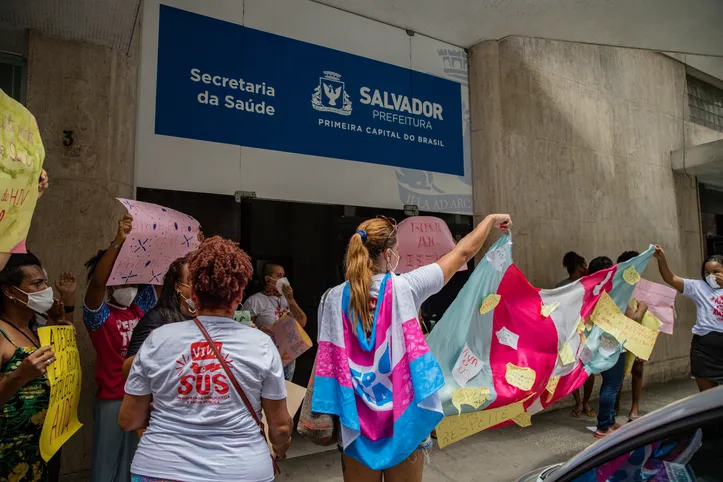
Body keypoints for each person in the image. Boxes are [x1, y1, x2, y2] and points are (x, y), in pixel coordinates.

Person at [314, 214, 511, 482]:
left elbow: (332, 359)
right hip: (405, 419)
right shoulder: (407, 287)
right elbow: (463, 251)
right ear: (388, 253)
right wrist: (489, 221)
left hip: (355, 423)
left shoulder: (331, 299)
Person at [119, 236, 292, 482]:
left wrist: (174, 412)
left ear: (194, 292)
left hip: (161, 469)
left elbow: (128, 419)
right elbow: (280, 428)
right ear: (239, 293)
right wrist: (282, 446)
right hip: (240, 471)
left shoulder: (158, 340)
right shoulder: (261, 344)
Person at [83, 214, 158, 482]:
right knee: (106, 466)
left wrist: (142, 244)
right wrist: (118, 243)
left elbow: (153, 273)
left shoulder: (142, 308)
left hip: (142, 398)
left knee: (134, 464)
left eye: (130, 280)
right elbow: (96, 285)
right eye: (121, 280)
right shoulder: (100, 315)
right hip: (113, 399)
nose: (127, 286)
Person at [0, 253, 68, 481]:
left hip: (36, 453)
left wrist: (58, 331)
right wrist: (19, 376)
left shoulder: (32, 331)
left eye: (45, 281)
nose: (46, 289)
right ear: (10, 292)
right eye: (37, 283)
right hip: (6, 456)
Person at [591, 256, 647, 438]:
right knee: (611, 385)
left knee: (609, 383)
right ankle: (603, 427)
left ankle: (610, 421)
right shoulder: (616, 292)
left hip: (598, 343)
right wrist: (642, 308)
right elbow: (632, 318)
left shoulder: (591, 290)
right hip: (614, 344)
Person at [654, 246, 723, 392]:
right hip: (704, 351)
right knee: (707, 398)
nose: (711, 276)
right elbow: (670, 278)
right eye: (707, 272)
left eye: (716, 272)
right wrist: (661, 260)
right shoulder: (698, 287)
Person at [122, 257, 195, 379]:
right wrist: (161, 345)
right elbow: (128, 370)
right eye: (191, 280)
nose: (198, 286)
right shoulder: (156, 319)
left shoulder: (206, 318)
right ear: (177, 285)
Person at [243, 263, 307, 381]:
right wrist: (258, 329)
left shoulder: (286, 300)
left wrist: (290, 299)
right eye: (279, 275)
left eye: (283, 275)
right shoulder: (253, 301)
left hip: (287, 355)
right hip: (265, 355)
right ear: (268, 279)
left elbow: (302, 322)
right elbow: (242, 329)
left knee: (287, 390)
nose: (283, 279)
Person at [614, 251, 647, 422]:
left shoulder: (642, 285)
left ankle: (635, 406)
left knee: (638, 369)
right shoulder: (617, 285)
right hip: (620, 334)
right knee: (618, 371)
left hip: (639, 335)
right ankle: (615, 404)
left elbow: (650, 309)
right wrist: (639, 310)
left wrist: (641, 309)